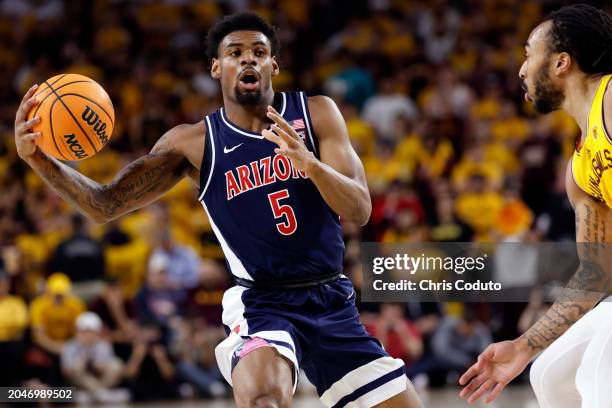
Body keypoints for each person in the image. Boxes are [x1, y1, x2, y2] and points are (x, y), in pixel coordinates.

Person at [13, 12, 422, 408]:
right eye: (235, 52)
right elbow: (105, 205)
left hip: (332, 298)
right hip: (264, 303)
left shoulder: (316, 113)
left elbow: (361, 208)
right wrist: (39, 161)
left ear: (273, 65)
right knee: (264, 398)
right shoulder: (193, 143)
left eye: (259, 52)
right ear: (216, 67)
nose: (248, 58)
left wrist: (312, 165)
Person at [459, 5, 612, 407]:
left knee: (601, 375)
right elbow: (596, 274)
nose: (522, 70)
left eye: (529, 53)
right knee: (551, 375)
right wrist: (524, 347)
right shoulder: (579, 170)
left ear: (561, 62)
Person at [61, 312, 128, 404]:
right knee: (76, 366)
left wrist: (100, 367)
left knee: (116, 364)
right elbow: (66, 370)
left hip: (100, 380)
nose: (88, 335)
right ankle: (102, 394)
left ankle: (96, 394)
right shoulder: (70, 346)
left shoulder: (104, 345)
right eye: (84, 332)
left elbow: (107, 366)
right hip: (80, 382)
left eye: (91, 332)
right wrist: (81, 363)